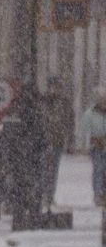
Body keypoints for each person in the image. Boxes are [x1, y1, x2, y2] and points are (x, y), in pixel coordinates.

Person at [40, 76, 73, 208]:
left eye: (57, 87)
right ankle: (42, 194)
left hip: (57, 141)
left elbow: (70, 121)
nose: (55, 89)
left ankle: (49, 195)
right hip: (43, 141)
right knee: (43, 169)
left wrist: (70, 139)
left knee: (53, 170)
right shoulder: (42, 101)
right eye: (53, 86)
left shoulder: (64, 103)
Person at [80, 85, 106, 210]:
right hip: (96, 146)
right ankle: (98, 194)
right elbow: (83, 130)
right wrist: (83, 145)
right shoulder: (90, 114)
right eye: (101, 98)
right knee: (98, 170)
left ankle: (104, 194)